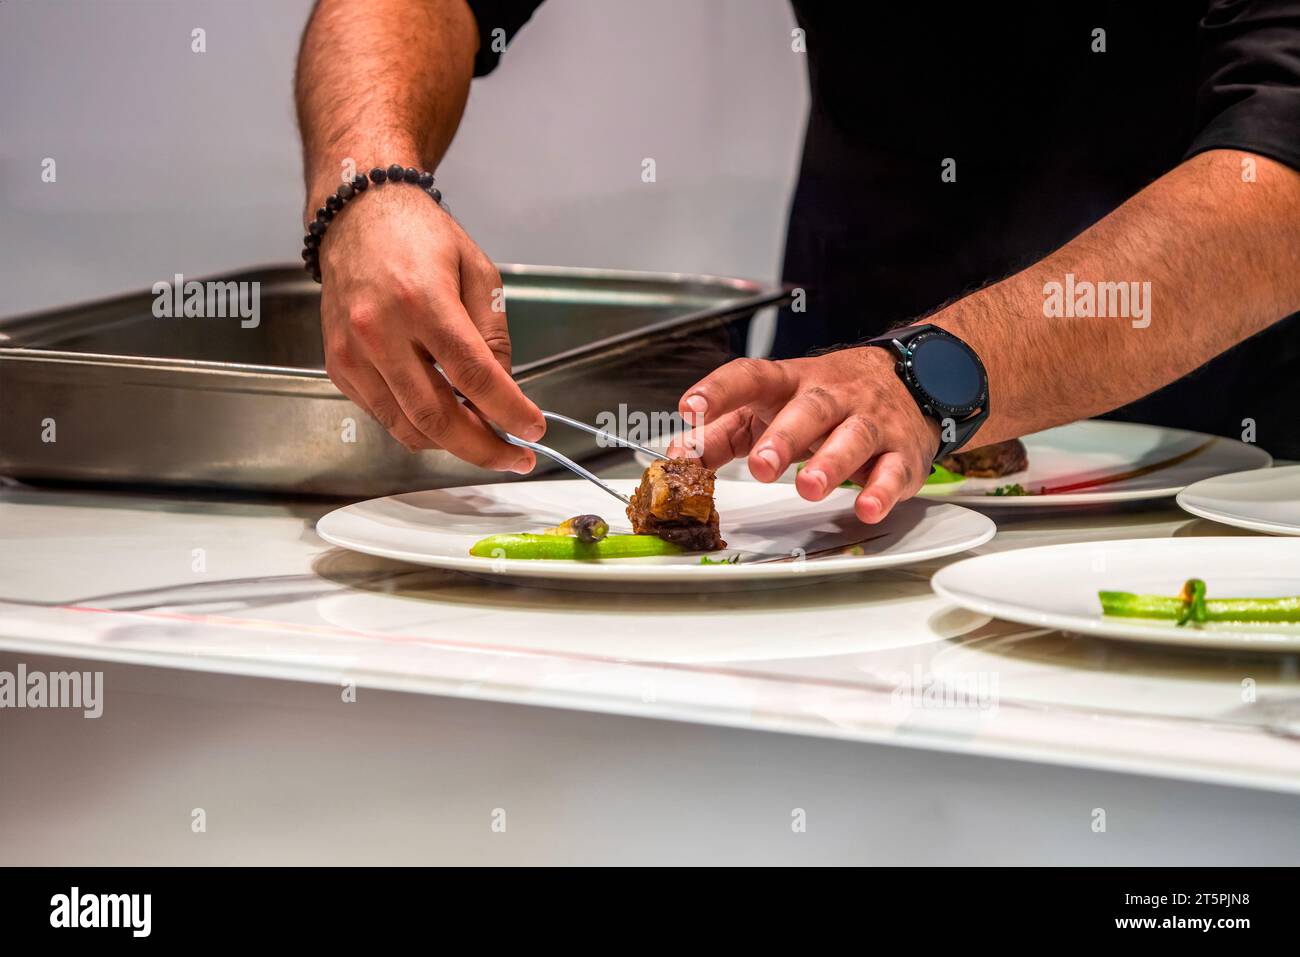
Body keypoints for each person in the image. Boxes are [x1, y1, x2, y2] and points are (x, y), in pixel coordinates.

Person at [295, 1, 1300, 524]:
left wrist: (930, 374)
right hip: (836, 442)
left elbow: (1284, 161)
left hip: (1229, 453)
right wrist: (366, 183)